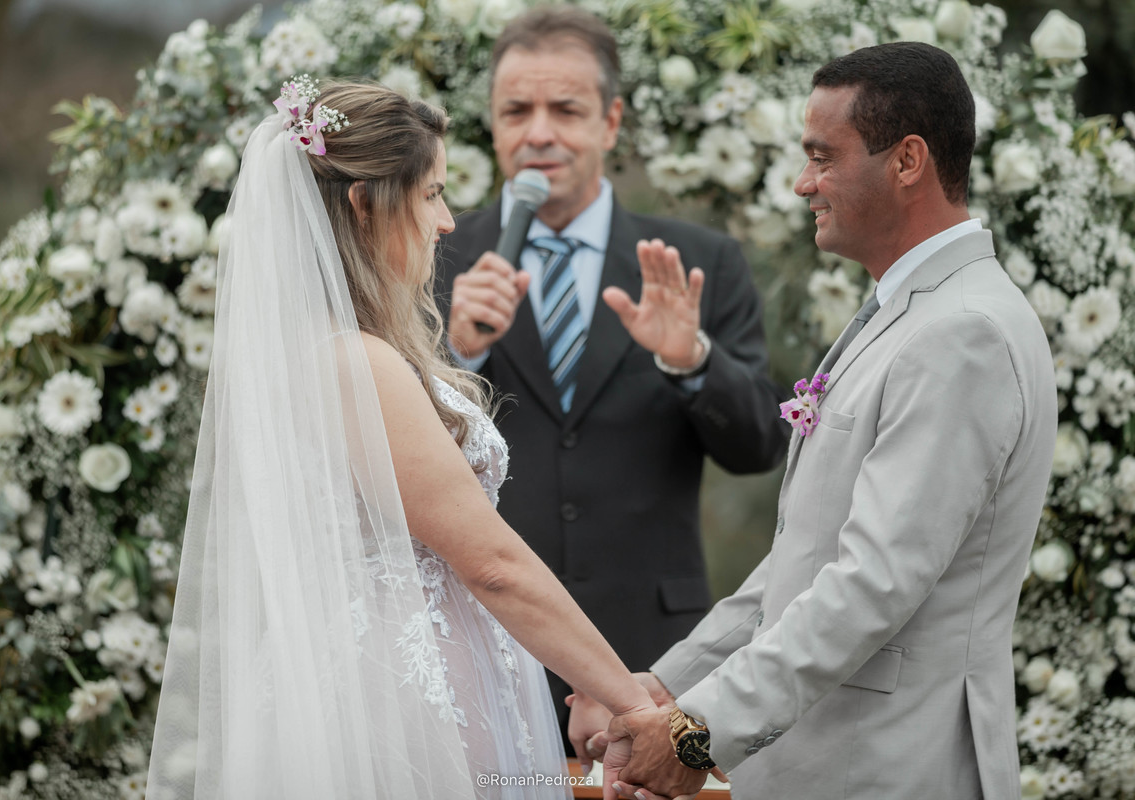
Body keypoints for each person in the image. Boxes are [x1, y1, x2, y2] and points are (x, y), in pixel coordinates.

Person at [144, 80, 660, 799]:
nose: (447, 223)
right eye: (432, 195)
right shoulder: (354, 363)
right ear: (364, 204)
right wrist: (636, 703)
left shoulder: (320, 354)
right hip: (407, 709)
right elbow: (493, 564)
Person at [579, 41, 1058, 800]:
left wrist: (698, 732)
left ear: (907, 161)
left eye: (822, 157)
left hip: (892, 768)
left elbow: (872, 583)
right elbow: (805, 558)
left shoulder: (963, 334)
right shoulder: (911, 311)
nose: (803, 183)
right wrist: (668, 686)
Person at [435, 6, 789, 748]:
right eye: (516, 111)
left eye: (565, 110)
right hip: (483, 644)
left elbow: (760, 445)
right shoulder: (437, 258)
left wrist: (692, 361)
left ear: (611, 121)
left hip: (653, 652)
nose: (538, 133)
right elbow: (389, 456)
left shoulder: (700, 261)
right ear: (492, 124)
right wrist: (456, 359)